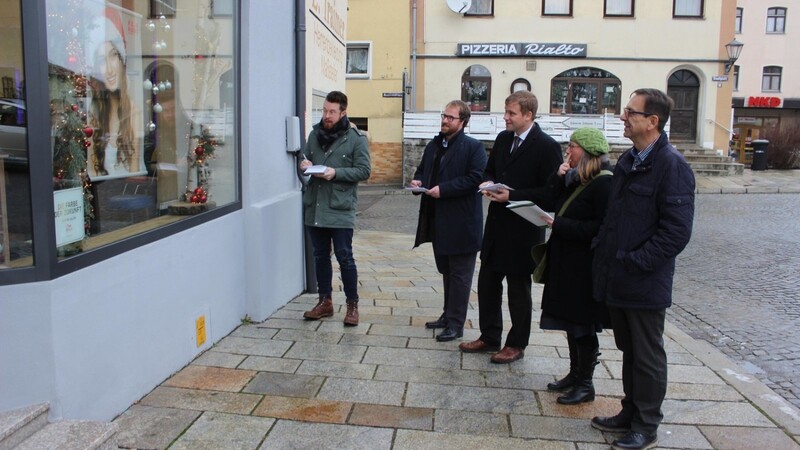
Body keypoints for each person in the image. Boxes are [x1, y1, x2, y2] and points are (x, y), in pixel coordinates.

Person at [590, 88, 695, 450]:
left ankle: (646, 425)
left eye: (631, 112)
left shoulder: (672, 166)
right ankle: (629, 411)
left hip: (644, 281)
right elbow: (615, 215)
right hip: (619, 275)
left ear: (653, 121)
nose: (623, 117)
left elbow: (676, 233)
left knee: (647, 356)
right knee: (630, 350)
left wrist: (636, 262)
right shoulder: (629, 159)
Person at [459, 91, 562, 363]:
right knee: (488, 284)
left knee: (518, 290)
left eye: (511, 113)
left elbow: (551, 194)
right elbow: (489, 171)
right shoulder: (503, 139)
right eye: (505, 112)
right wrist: (486, 183)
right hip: (496, 227)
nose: (505, 117)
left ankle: (517, 344)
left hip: (523, 230)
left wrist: (512, 195)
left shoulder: (547, 146)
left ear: (528, 115)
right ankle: (489, 336)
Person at [536, 128, 613, 405]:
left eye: (573, 146)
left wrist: (560, 225)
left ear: (588, 151)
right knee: (570, 323)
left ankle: (586, 383)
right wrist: (558, 177)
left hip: (585, 269)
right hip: (566, 263)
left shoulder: (604, 183)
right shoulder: (578, 179)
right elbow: (551, 200)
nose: (568, 151)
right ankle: (574, 374)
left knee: (583, 326)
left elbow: (600, 228)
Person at [410, 100, 487, 342]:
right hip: (437, 222)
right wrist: (417, 182)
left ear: (462, 122)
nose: (445, 120)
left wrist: (443, 189)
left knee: (460, 276)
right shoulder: (434, 145)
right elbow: (422, 171)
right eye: (444, 115)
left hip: (462, 224)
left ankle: (456, 324)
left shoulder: (473, 147)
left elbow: (475, 179)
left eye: (450, 118)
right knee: (446, 271)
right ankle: (447, 315)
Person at [300, 91, 371, 326]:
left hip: (340, 208)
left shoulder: (356, 138)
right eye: (325, 110)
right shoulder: (314, 134)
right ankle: (325, 302)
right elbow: (306, 159)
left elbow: (364, 171)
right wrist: (305, 164)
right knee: (320, 256)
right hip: (315, 206)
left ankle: (352, 305)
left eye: (332, 112)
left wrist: (336, 173)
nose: (327, 116)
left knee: (344, 257)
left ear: (343, 112)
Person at [87, 9, 142, 179]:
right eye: (102, 61)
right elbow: (92, 170)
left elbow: (134, 171)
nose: (110, 70)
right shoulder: (92, 115)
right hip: (102, 196)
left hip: (127, 195)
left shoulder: (133, 112)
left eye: (112, 56)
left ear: (121, 60)